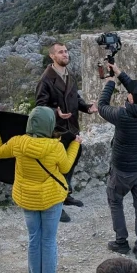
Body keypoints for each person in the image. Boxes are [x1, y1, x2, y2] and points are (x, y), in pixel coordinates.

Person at [0, 105, 80, 273]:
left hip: (27, 199)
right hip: (51, 199)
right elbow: (66, 167)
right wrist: (75, 144)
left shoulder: (18, 143)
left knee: (34, 239)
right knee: (49, 241)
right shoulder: (55, 147)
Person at [97, 63, 137, 260]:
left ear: (132, 102)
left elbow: (102, 107)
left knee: (115, 201)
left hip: (122, 170)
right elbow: (136, 91)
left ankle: (121, 242)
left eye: (129, 97)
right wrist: (120, 73)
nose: (128, 95)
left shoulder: (123, 116)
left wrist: (110, 83)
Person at [36, 41, 97, 222]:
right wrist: (56, 113)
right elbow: (40, 106)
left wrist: (87, 107)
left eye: (66, 51)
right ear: (52, 56)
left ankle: (65, 194)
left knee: (71, 163)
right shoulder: (46, 79)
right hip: (56, 132)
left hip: (72, 129)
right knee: (55, 168)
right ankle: (56, 205)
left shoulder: (69, 75)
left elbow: (75, 98)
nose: (65, 54)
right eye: (61, 52)